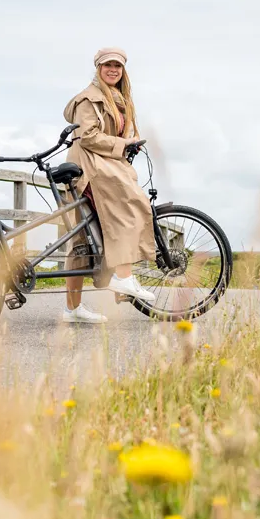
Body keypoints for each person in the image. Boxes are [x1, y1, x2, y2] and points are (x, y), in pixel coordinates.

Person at [59, 47, 158, 324]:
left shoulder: (118, 99)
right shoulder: (88, 99)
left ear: (123, 70)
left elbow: (112, 134)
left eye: (117, 66)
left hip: (103, 164)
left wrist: (130, 141)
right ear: (98, 68)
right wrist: (122, 144)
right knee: (126, 206)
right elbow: (88, 136)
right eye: (107, 65)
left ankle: (72, 309)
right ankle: (123, 276)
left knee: (81, 241)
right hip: (89, 168)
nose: (112, 69)